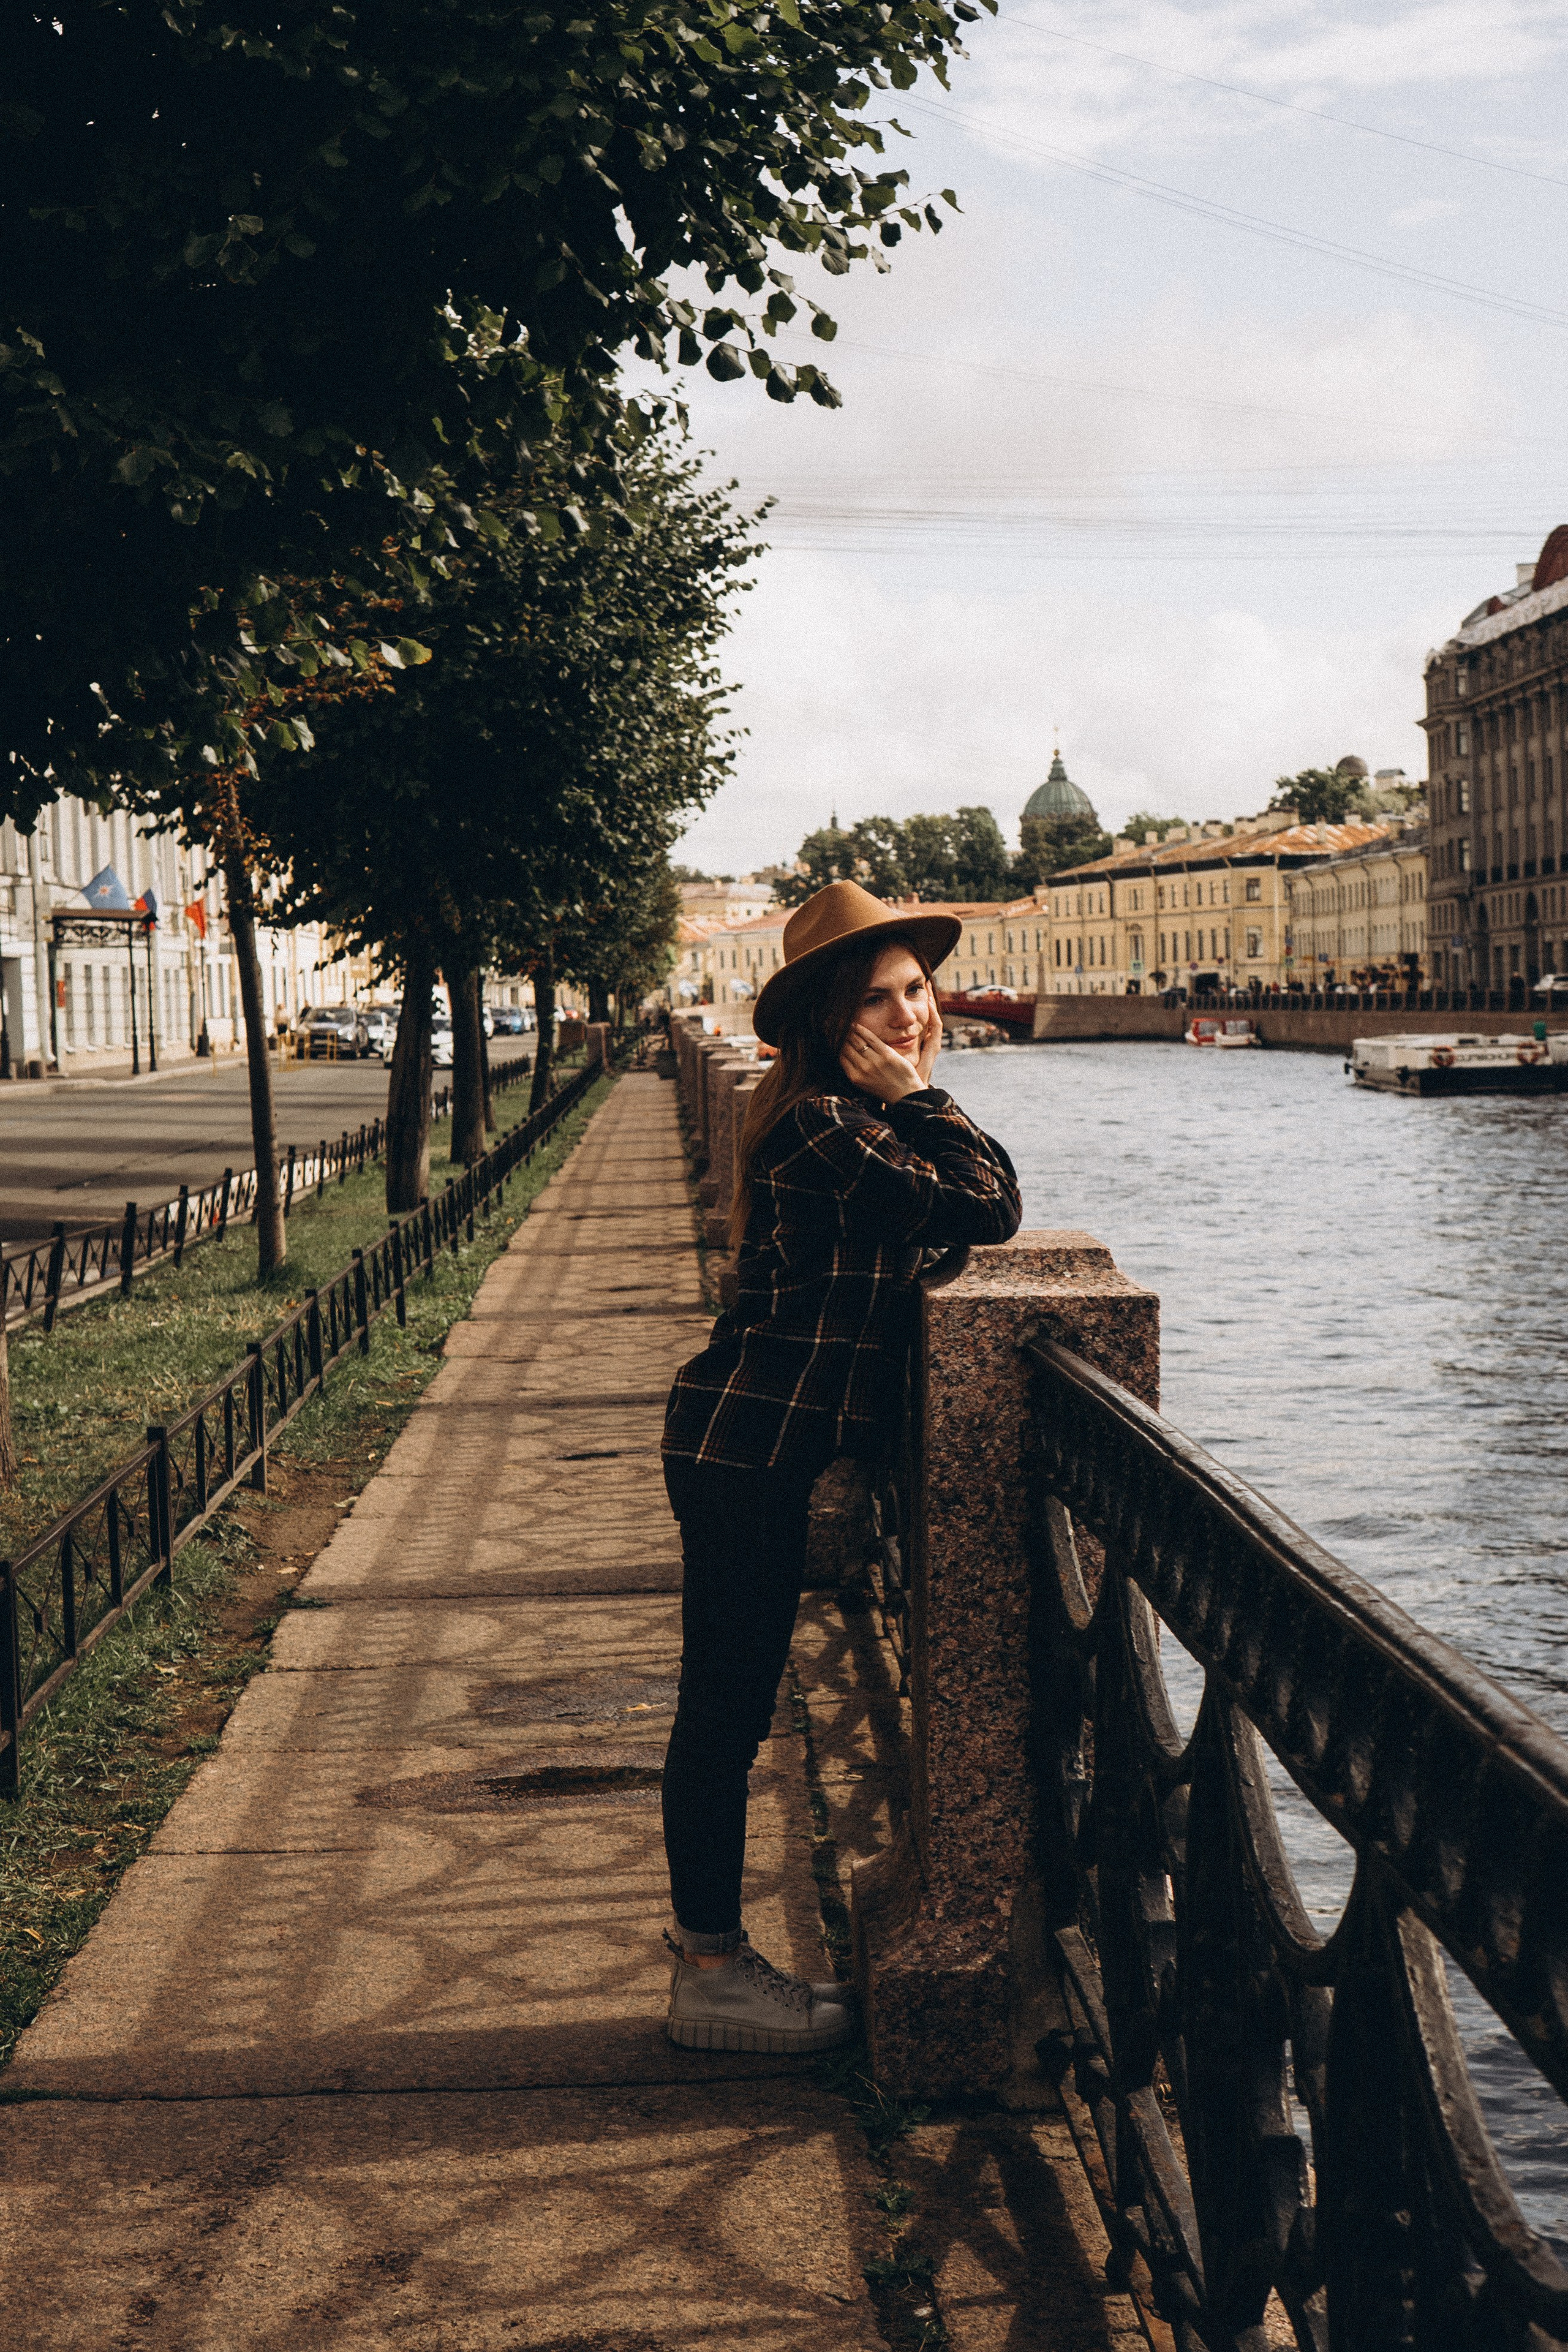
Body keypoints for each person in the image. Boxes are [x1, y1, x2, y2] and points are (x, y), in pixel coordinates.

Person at [658, 880, 1022, 2052]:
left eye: (919, 991)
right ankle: (709, 1973)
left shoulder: (829, 1119)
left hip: (751, 1440)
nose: (912, 1015)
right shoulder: (829, 1125)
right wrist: (923, 1096)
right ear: (832, 1020)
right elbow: (990, 1208)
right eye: (883, 999)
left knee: (730, 1702)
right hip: (745, 1449)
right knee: (723, 1710)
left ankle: (713, 1963)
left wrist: (911, 1095)